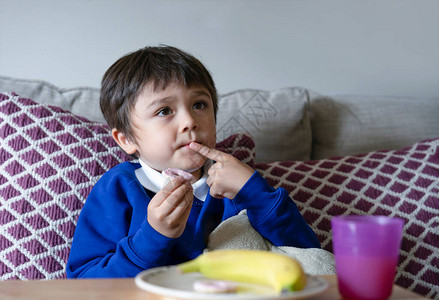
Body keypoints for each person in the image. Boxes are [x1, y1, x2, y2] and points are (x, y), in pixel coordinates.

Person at [66, 45, 320, 278]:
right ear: (126, 139)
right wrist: (153, 237)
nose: (190, 121)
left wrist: (256, 192)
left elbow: (308, 256)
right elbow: (83, 281)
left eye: (199, 104)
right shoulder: (118, 188)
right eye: (164, 110)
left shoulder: (238, 183)